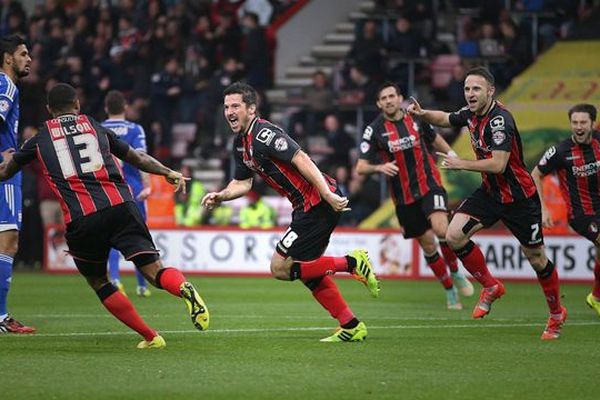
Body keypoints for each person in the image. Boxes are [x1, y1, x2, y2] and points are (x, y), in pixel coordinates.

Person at [0, 83, 209, 348]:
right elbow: (136, 157)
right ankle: (183, 288)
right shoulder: (94, 126)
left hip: (82, 219)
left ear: (49, 110)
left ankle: (151, 336)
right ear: (77, 105)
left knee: (100, 281)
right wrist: (168, 172)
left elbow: (6, 172)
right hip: (121, 206)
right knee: (155, 271)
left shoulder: (39, 139)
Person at [202, 82, 379, 342]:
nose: (229, 111)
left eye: (236, 106)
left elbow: (301, 158)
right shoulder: (241, 144)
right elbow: (243, 183)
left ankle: (352, 263)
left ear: (251, 109)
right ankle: (351, 325)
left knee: (280, 267)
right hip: (305, 206)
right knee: (309, 272)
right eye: (227, 106)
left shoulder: (264, 134)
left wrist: (327, 194)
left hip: (317, 202)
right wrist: (222, 195)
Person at [407, 66, 567, 340]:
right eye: (467, 89)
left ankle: (556, 314)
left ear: (490, 91)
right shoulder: (471, 114)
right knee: (453, 235)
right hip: (491, 194)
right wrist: (423, 114)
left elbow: (498, 163)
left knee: (537, 259)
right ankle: (491, 286)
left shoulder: (499, 121)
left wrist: (461, 164)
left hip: (519, 198)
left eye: (476, 89)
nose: (470, 93)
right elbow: (446, 118)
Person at [356, 82, 473, 310]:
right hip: (403, 197)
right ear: (379, 104)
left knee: (441, 230)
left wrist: (451, 153)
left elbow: (434, 138)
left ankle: (457, 273)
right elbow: (361, 167)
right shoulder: (374, 130)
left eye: (392, 95)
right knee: (428, 246)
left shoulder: (416, 118)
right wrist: (379, 168)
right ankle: (449, 290)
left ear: (400, 98)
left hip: (429, 184)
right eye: (384, 98)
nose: (389, 100)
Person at [531, 104, 600, 317]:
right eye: (574, 123)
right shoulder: (560, 150)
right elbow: (535, 174)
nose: (578, 127)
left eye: (583, 123)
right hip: (580, 214)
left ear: (592, 124)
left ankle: (596, 297)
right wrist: (543, 209)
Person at [102, 90, 152, 298]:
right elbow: (142, 157)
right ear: (125, 108)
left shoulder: (98, 128)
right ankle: (142, 286)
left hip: (108, 189)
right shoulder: (135, 129)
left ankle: (115, 279)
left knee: (112, 236)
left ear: (106, 108)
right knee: (139, 237)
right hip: (133, 188)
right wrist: (147, 185)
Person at [0, 35, 35, 334]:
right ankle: (0, 317)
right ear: (8, 58)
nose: (29, 59)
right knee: (8, 242)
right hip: (5, 175)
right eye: (23, 54)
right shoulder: (5, 84)